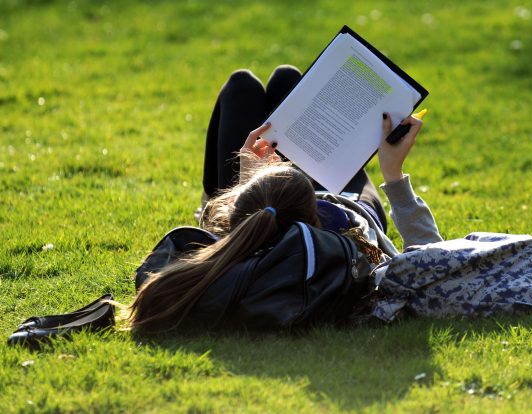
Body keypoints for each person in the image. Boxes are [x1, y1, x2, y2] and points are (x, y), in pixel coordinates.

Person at [127, 65, 444, 332]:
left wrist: (251, 178)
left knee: (244, 85)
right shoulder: (355, 245)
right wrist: (393, 173)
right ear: (315, 215)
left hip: (253, 213)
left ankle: (213, 202)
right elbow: (429, 269)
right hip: (336, 201)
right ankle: (223, 199)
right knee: (287, 79)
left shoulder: (231, 248)